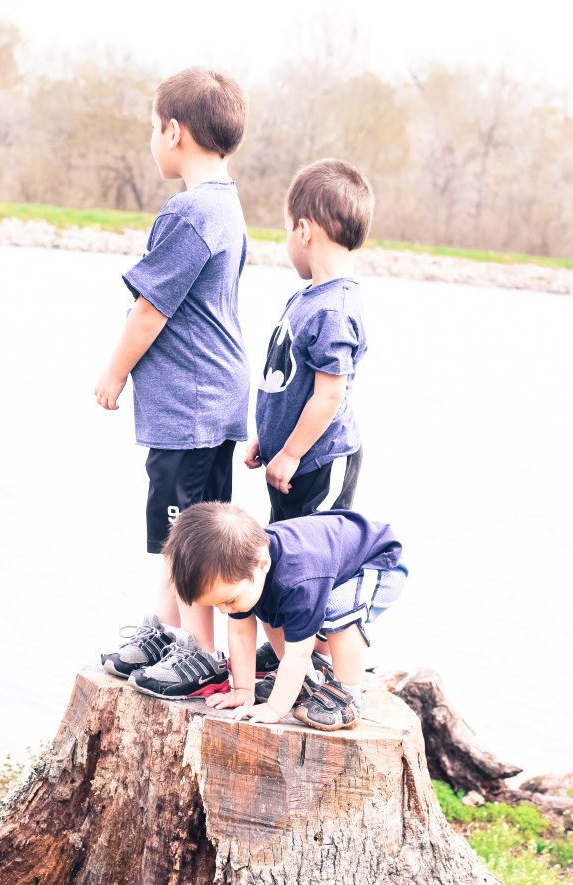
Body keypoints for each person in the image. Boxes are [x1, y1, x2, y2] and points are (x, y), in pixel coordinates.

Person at [95, 67, 249, 698]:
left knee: (186, 530)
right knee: (176, 524)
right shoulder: (225, 204)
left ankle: (200, 650)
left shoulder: (189, 213)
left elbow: (150, 310)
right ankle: (165, 627)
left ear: (174, 131)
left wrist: (113, 372)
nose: (151, 141)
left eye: (152, 129)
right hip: (207, 397)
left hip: (191, 402)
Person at [127, 502, 407, 729]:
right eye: (218, 606)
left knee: (340, 616)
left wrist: (275, 708)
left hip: (377, 561)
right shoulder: (243, 571)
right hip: (328, 562)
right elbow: (240, 633)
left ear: (261, 565)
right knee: (267, 608)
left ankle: (348, 694)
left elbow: (298, 652)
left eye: (229, 601)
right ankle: (306, 681)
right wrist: (244, 691)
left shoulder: (299, 581)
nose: (227, 610)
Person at [245, 157, 374, 524]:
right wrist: (271, 440)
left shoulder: (334, 310)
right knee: (284, 549)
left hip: (319, 462)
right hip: (294, 457)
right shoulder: (309, 298)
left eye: (286, 230)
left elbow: (329, 395)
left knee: (311, 555)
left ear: (303, 231)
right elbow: (286, 381)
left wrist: (290, 453)